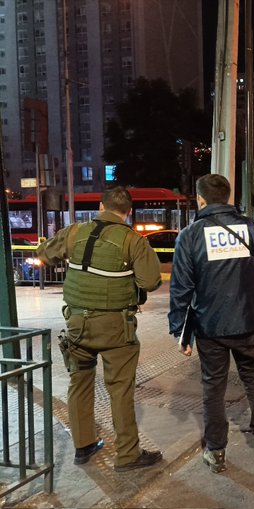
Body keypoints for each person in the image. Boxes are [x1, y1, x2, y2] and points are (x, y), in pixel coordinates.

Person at [37, 186, 163, 471]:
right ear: (128, 211)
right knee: (120, 389)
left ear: (100, 206)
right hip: (116, 329)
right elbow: (150, 282)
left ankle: (84, 446)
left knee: (79, 382)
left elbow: (43, 254)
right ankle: (128, 455)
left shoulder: (74, 233)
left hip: (77, 326)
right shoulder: (134, 241)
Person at [168, 174, 254, 474]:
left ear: (200, 199)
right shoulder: (251, 228)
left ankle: (216, 452)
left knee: (213, 387)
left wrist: (179, 330)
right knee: (253, 377)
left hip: (210, 326)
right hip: (247, 322)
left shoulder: (190, 236)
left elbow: (181, 289)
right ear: (228, 197)